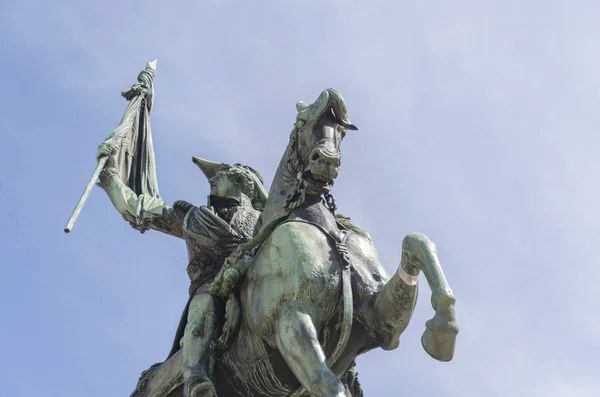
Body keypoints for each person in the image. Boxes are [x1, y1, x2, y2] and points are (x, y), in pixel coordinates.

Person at [96, 143, 267, 397]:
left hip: (257, 284)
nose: (213, 179)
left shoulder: (265, 218)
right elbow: (138, 207)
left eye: (219, 174)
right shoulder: (193, 216)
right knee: (202, 312)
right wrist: (109, 177)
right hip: (212, 287)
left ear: (241, 181)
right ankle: (197, 380)